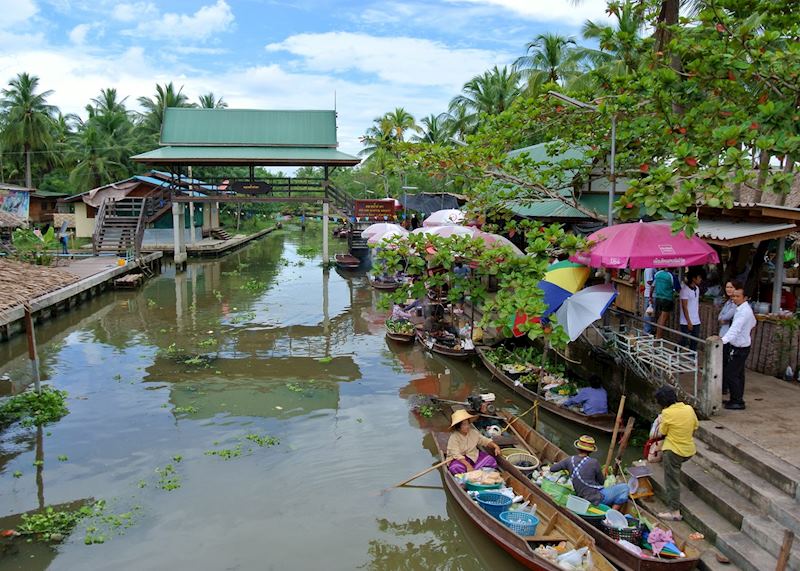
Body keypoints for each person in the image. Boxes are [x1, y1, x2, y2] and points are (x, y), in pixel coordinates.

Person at [653, 386, 698, 521]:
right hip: (689, 450)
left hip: (673, 451)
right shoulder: (689, 409)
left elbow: (662, 432)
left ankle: (674, 511)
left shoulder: (666, 413)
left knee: (671, 480)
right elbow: (695, 426)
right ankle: (674, 507)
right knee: (674, 474)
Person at [549, 435, 629, 509]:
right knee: (625, 487)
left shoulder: (569, 460)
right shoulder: (594, 462)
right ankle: (612, 513)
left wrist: (568, 469)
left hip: (581, 496)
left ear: (577, 448)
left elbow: (552, 468)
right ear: (591, 451)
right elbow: (602, 482)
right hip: (596, 498)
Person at [721, 285, 757, 410]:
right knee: (738, 374)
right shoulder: (741, 309)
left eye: (738, 296)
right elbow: (753, 322)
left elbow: (734, 330)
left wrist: (722, 341)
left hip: (740, 347)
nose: (735, 298)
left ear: (745, 298)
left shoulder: (744, 312)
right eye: (734, 296)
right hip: (740, 344)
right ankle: (736, 398)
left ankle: (737, 400)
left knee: (731, 373)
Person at [446, 409, 501, 474]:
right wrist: (468, 466)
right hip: (459, 459)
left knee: (490, 460)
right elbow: (456, 454)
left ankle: (474, 472)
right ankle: (476, 471)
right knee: (455, 468)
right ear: (458, 427)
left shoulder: (473, 432)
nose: (467, 426)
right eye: (464, 425)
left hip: (473, 455)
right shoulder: (454, 437)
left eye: (468, 424)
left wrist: (496, 446)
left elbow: (484, 440)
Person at [717, 280, 739, 395]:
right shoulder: (728, 302)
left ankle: (726, 387)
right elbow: (720, 317)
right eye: (727, 287)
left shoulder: (736, 304)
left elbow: (727, 316)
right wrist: (724, 319)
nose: (728, 289)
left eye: (731, 287)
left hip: (729, 337)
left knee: (727, 363)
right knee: (723, 361)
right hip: (723, 334)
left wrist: (724, 318)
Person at [679, 268, 705, 350]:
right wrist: (689, 322)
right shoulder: (684, 290)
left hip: (696, 320)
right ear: (693, 278)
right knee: (684, 340)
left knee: (694, 341)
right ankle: (676, 353)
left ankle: (692, 358)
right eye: (699, 278)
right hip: (686, 321)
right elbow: (684, 307)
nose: (700, 280)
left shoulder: (697, 289)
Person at [653, 268, 677, 338]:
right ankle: (658, 336)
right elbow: (677, 288)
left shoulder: (658, 274)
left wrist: (650, 296)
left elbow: (652, 286)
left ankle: (658, 334)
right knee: (663, 318)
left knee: (660, 317)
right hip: (667, 299)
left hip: (658, 298)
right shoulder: (671, 276)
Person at [643, 267, 656, 334]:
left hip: (650, 294)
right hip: (650, 295)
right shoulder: (649, 269)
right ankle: (647, 331)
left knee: (651, 314)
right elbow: (649, 281)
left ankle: (649, 330)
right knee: (648, 314)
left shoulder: (651, 268)